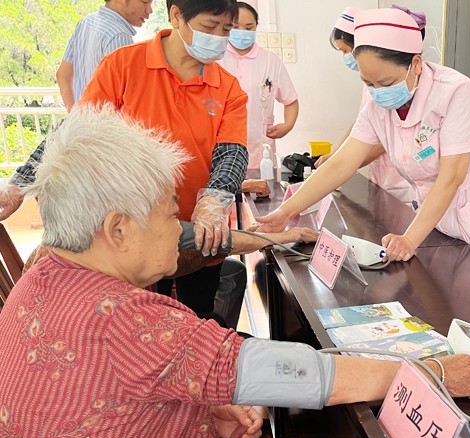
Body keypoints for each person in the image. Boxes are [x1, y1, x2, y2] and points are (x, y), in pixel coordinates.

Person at [0, 105, 470, 438]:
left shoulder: (38, 279)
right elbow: (304, 375)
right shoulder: (128, 319)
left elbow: (102, 398)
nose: (180, 228)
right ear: (117, 230)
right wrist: (431, 371)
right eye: (172, 215)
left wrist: (199, 411)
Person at [258, 8, 470, 280]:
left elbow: (452, 177)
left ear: (416, 64)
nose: (378, 93)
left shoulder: (455, 92)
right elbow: (341, 164)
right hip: (442, 227)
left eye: (386, 83)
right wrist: (286, 211)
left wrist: (409, 239)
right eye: (369, 84)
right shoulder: (376, 106)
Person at [5, 0, 248, 318]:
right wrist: (20, 184)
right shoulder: (122, 65)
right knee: (137, 320)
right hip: (133, 232)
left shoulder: (227, 87)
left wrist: (215, 200)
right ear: (176, 15)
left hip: (199, 231)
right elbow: (77, 130)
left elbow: (232, 153)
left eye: (226, 30)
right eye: (209, 27)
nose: (219, 38)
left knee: (196, 317)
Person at [315, 5, 416, 206]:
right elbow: (362, 123)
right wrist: (336, 155)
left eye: (346, 51)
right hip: (383, 177)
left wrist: (344, 165)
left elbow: (384, 141)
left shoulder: (399, 87)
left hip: (403, 182)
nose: (345, 58)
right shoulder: (372, 83)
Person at [219, 1, 299, 173]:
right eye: (235, 26)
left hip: (260, 146)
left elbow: (291, 100)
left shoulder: (270, 60)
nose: (242, 32)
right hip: (221, 143)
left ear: (256, 26)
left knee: (262, 184)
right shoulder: (217, 57)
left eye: (248, 27)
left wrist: (288, 125)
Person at [56, 0, 154, 111]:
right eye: (145, 2)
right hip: (108, 121)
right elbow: (127, 97)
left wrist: (74, 117)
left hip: (83, 119)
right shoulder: (119, 35)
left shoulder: (85, 23)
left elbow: (63, 75)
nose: (150, 10)